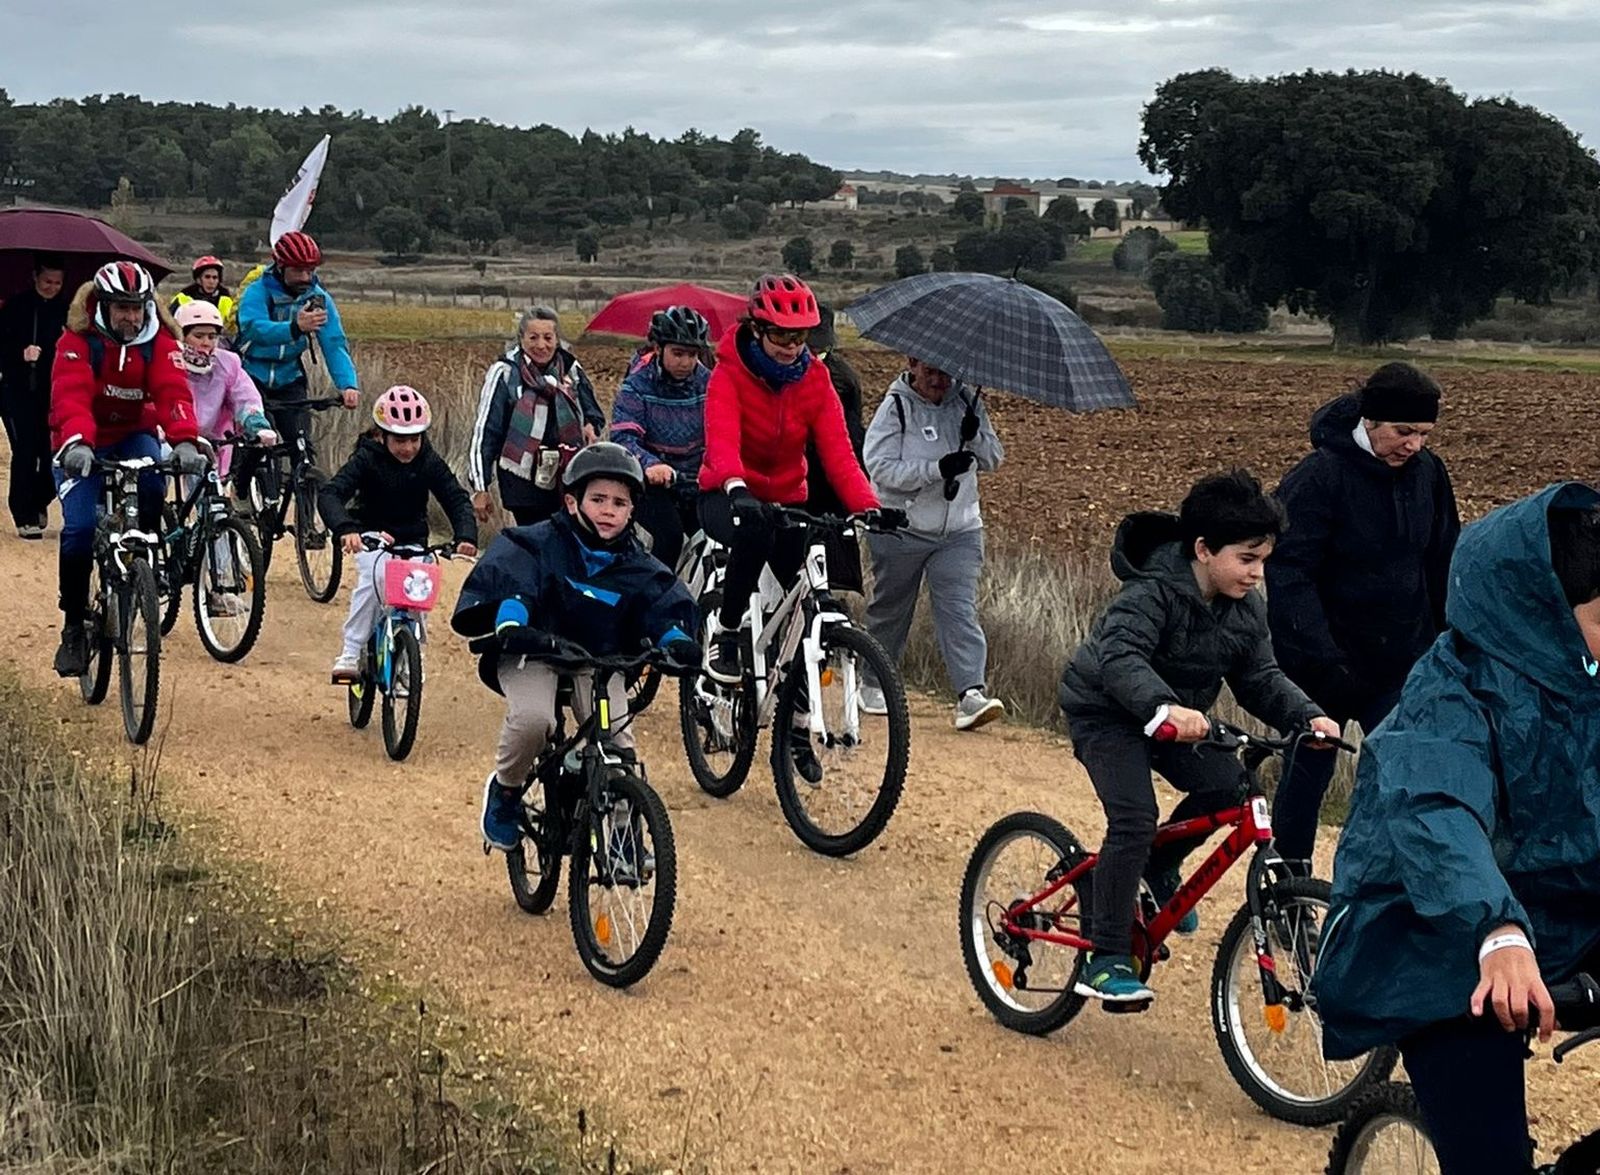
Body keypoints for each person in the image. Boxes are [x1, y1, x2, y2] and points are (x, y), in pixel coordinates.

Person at [1313, 482, 1600, 1175]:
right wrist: (1496, 930)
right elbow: (1439, 808)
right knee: (1488, 1158)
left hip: (1565, 917)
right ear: (1546, 616)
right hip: (1435, 942)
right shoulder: (1447, 692)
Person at [1057, 471, 1338, 1003]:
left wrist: (1307, 716)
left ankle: (1159, 866)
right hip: (1107, 713)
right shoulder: (1151, 591)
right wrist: (1163, 706)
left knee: (1234, 787)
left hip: (1176, 718)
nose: (1258, 574)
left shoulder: (1246, 606)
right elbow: (1121, 657)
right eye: (1247, 559)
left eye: (1264, 560)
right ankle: (1107, 954)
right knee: (1135, 817)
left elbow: (1259, 677)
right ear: (1204, 549)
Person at [450, 443, 700, 852]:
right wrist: (511, 619)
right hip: (535, 651)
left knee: (618, 744)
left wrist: (675, 640)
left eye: (619, 503)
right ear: (571, 502)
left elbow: (662, 604)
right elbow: (516, 577)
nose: (608, 510)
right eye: (597, 499)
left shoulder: (639, 565)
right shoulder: (540, 542)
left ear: (632, 512)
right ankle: (507, 791)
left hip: (598, 662)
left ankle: (621, 835)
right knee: (533, 719)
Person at [1266, 362, 1460, 866]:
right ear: (1370, 422)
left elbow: (1442, 560)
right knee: (1307, 777)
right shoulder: (1319, 477)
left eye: (1424, 433)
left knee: (1405, 775)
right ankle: (1288, 886)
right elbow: (1289, 575)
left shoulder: (1431, 475)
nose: (1414, 444)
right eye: (1404, 431)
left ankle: (1388, 886)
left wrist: (1446, 641)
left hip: (1400, 664)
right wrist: (1321, 659)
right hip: (1324, 667)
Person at [697, 273, 882, 690]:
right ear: (757, 329)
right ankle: (726, 632)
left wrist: (868, 505)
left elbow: (839, 453)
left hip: (786, 498)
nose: (791, 348)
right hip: (726, 495)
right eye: (781, 337)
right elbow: (723, 440)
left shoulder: (814, 380)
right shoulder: (729, 374)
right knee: (754, 532)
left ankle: (797, 733)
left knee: (809, 607)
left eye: (800, 338)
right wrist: (736, 487)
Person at [49, 261, 205, 676]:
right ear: (103, 304)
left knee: (154, 482)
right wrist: (78, 441)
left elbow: (173, 391)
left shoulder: (159, 341)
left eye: (137, 307)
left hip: (133, 433)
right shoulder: (77, 339)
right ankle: (74, 626)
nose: (131, 317)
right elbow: (71, 396)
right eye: (122, 308)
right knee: (80, 531)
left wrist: (185, 438)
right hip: (80, 442)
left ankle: (145, 560)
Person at [859, 356, 1006, 731]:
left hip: (959, 530)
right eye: (930, 371)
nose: (938, 380)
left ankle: (970, 694)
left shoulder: (967, 402)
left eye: (946, 372)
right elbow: (880, 467)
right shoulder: (895, 407)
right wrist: (935, 470)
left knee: (959, 610)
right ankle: (873, 681)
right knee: (891, 609)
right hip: (900, 528)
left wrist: (973, 434)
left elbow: (993, 459)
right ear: (912, 364)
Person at [318, 386, 477, 682]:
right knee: (373, 582)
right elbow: (330, 494)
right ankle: (351, 650)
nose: (408, 448)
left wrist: (465, 535)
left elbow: (455, 497)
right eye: (400, 440)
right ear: (382, 435)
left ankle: (411, 653)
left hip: (413, 540)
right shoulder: (366, 459)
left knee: (420, 587)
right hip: (370, 538)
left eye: (414, 439)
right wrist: (346, 529)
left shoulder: (428, 461)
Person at [232, 231, 360, 501]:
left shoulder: (317, 298)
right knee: (259, 441)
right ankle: (242, 492)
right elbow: (253, 328)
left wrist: (347, 385)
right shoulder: (259, 290)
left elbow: (334, 342)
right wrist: (294, 327)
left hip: (290, 377)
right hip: (252, 376)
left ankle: (308, 520)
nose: (305, 277)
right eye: (298, 270)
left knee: (302, 447)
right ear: (281, 266)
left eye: (310, 270)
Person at [174, 300, 276, 616]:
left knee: (217, 514)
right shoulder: (171, 362)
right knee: (154, 493)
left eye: (212, 336)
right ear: (183, 335)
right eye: (198, 335)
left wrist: (257, 425)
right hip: (173, 438)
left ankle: (222, 588)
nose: (206, 343)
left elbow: (245, 397)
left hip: (214, 444)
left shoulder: (228, 364)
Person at [469, 307, 606, 527]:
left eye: (548, 337)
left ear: (557, 339)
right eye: (533, 338)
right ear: (521, 339)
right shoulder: (505, 372)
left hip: (566, 471)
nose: (541, 345)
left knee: (567, 536)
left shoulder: (570, 368)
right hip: (521, 478)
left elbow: (592, 409)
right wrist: (480, 487)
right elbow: (486, 430)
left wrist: (591, 425)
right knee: (536, 539)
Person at [608, 305, 711, 568]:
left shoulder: (709, 383)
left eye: (692, 355)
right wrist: (650, 464)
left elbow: (723, 430)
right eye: (677, 353)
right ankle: (654, 599)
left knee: (715, 541)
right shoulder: (637, 385)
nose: (685, 362)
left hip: (697, 480)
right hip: (653, 484)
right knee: (669, 537)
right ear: (659, 349)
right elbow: (624, 437)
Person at [0, 254, 68, 538]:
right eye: (47, 281)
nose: (51, 287)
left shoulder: (68, 312)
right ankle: (23, 513)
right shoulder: (15, 307)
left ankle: (40, 500)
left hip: (52, 392)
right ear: (35, 277)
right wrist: (21, 354)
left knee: (52, 453)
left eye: (57, 283)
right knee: (25, 451)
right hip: (16, 391)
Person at [803, 302, 869, 593]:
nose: (814, 354)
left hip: (830, 482)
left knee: (826, 577)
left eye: (819, 349)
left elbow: (854, 436)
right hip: (790, 479)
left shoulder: (843, 378)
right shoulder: (779, 371)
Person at [167, 255, 235, 323]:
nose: (211, 281)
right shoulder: (183, 299)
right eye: (207, 277)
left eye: (215, 278)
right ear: (198, 280)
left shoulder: (226, 300)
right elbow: (169, 321)